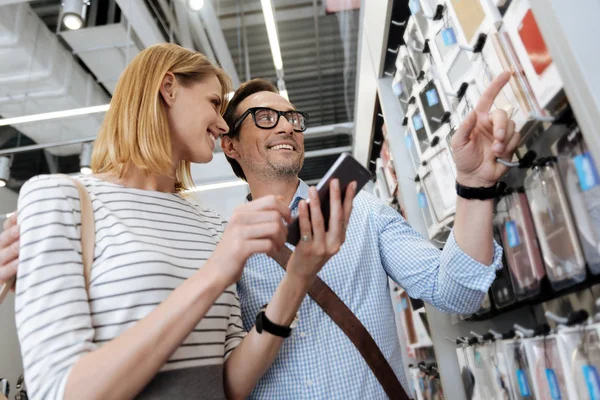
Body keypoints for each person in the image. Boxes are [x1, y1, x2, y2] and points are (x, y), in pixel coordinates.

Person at [2, 69, 519, 398]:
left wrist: (473, 186)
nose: (287, 126)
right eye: (266, 116)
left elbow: (458, 289)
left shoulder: (363, 213)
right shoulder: (213, 243)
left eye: (292, 116)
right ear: (229, 143)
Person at [0, 43, 355, 400]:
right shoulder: (59, 198)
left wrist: (298, 277)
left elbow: (229, 385)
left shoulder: (213, 225)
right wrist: (217, 272)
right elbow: (62, 393)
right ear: (168, 87)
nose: (221, 123)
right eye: (214, 103)